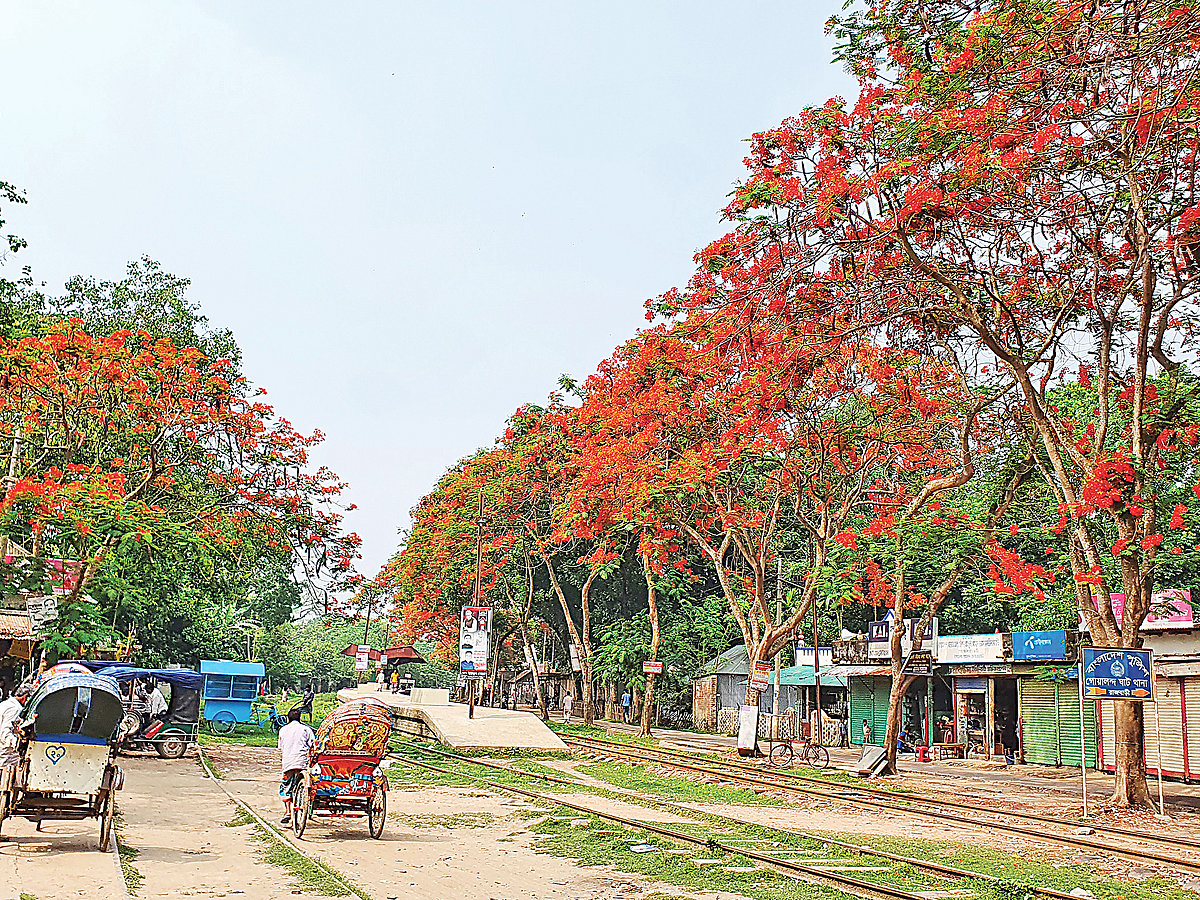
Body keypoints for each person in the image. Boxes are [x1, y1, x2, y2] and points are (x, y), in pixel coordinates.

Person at [277, 707, 315, 825]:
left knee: (286, 786)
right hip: (301, 762)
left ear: (288, 718)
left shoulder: (283, 730)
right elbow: (313, 745)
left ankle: (288, 811)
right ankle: (300, 804)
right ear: (300, 718)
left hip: (288, 762)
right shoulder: (306, 729)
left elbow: (281, 747)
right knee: (300, 784)